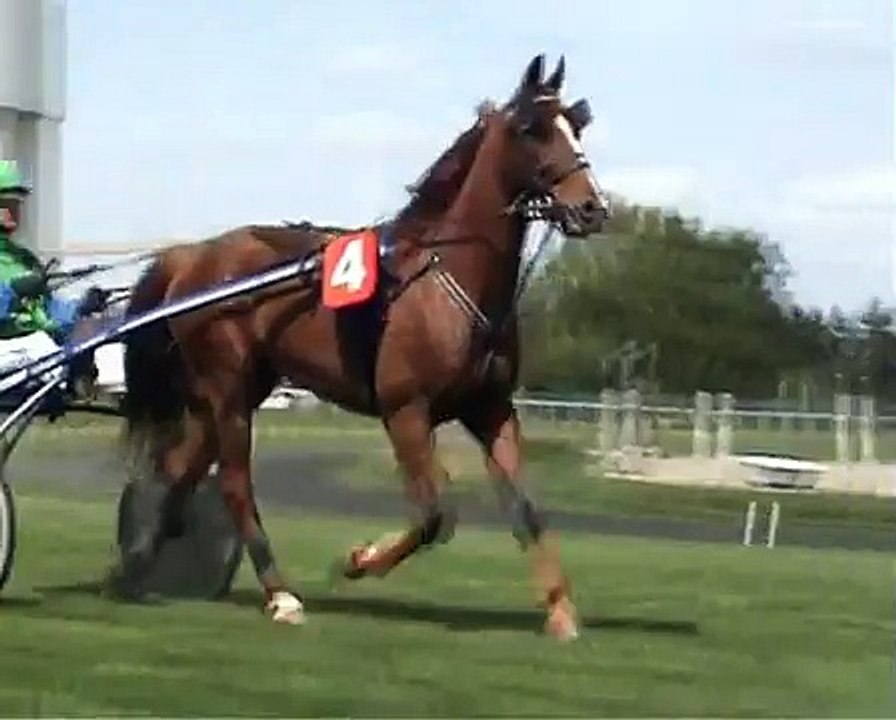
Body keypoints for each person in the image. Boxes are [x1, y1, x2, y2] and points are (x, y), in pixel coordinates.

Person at [0, 159, 108, 406]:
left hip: (22, 352)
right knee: (40, 345)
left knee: (85, 337)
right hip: (18, 349)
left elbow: (47, 309)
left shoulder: (24, 258)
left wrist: (81, 307)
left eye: (16, 205)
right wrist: (11, 292)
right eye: (4, 204)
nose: (12, 212)